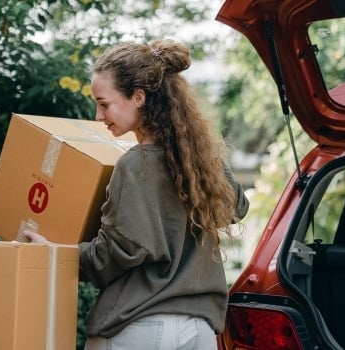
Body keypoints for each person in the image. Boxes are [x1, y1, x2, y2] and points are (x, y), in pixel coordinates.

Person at [24, 38, 249, 350]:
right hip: (200, 331)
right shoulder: (198, 165)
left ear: (138, 97)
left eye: (104, 104)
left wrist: (55, 253)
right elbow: (238, 206)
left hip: (142, 325)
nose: (98, 116)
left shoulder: (134, 165)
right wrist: (207, 155)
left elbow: (119, 252)